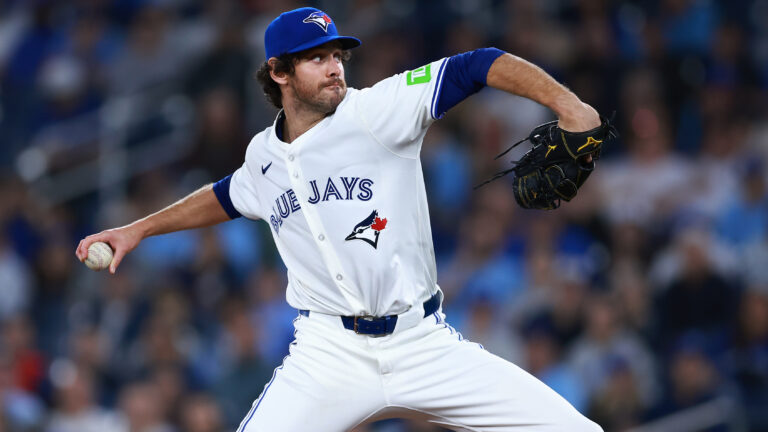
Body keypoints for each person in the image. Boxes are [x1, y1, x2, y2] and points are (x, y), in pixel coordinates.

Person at [76, 7, 603, 431]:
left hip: (422, 342)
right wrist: (137, 229)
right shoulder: (263, 156)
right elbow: (225, 195)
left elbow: (477, 64)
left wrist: (570, 105)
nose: (334, 67)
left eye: (337, 54)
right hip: (329, 354)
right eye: (315, 58)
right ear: (279, 73)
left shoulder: (377, 110)